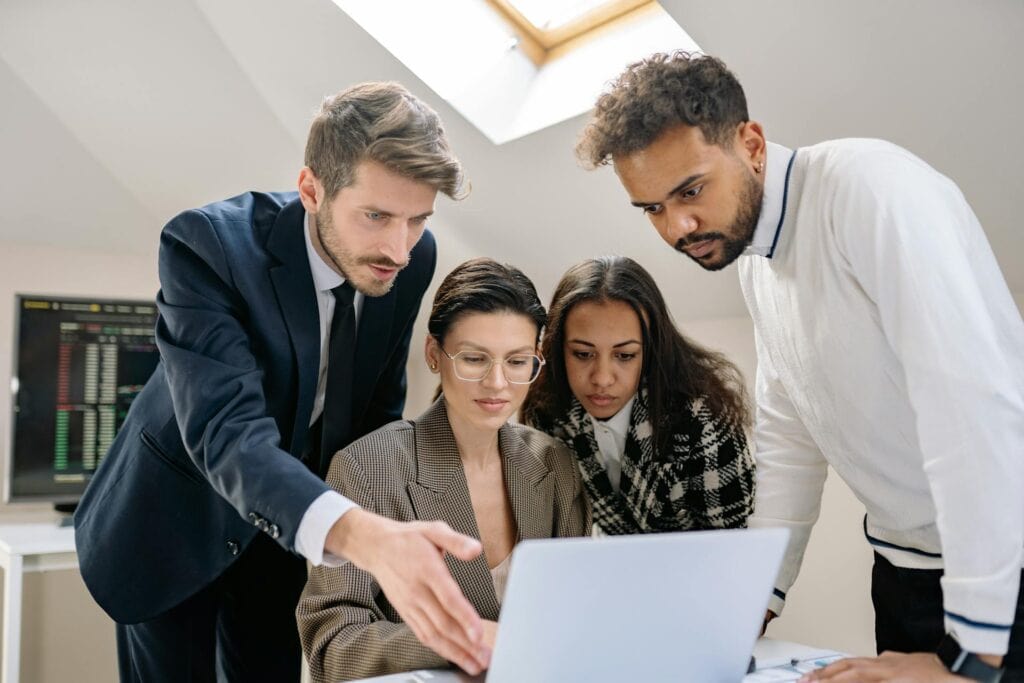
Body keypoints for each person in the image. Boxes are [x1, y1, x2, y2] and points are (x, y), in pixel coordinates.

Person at [576, 51, 1024, 682]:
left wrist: (976, 663)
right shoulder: (757, 262)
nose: (677, 226)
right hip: (907, 570)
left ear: (751, 144)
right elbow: (791, 437)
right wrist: (756, 598)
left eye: (691, 190)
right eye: (650, 208)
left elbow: (973, 408)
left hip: (1007, 565)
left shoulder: (869, 190)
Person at [73, 81, 493, 681]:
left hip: (288, 534)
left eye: (418, 220)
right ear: (311, 190)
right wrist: (367, 539)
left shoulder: (412, 256)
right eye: (376, 216)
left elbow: (374, 409)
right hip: (172, 522)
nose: (398, 250)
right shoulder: (206, 246)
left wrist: (389, 534)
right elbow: (227, 433)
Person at [296, 257, 591, 682]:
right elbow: (333, 646)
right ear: (435, 354)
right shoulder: (367, 468)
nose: (497, 383)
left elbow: (576, 615)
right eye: (474, 359)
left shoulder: (554, 464)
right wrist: (459, 639)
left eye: (517, 361)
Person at [521, 255, 754, 535]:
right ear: (558, 349)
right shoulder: (547, 411)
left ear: (652, 350)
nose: (602, 378)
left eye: (625, 355)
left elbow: (733, 547)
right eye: (583, 354)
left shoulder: (702, 416)